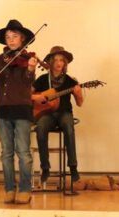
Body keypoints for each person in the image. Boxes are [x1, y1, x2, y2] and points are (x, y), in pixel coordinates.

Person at [0, 19, 38, 204]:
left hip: (22, 110)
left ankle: (24, 189)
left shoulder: (27, 58)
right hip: (3, 111)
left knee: (23, 152)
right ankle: (9, 189)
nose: (11, 40)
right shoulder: (0, 59)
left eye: (14, 36)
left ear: (23, 39)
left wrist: (30, 68)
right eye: (8, 37)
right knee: (6, 153)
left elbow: (29, 82)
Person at [32, 46, 83, 183]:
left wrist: (78, 94)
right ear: (51, 62)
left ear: (65, 63)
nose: (59, 63)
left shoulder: (70, 81)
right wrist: (36, 98)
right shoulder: (42, 79)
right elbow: (27, 94)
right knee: (40, 127)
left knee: (68, 126)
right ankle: (45, 168)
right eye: (56, 60)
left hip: (64, 113)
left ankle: (73, 167)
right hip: (47, 115)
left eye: (62, 60)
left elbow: (80, 103)